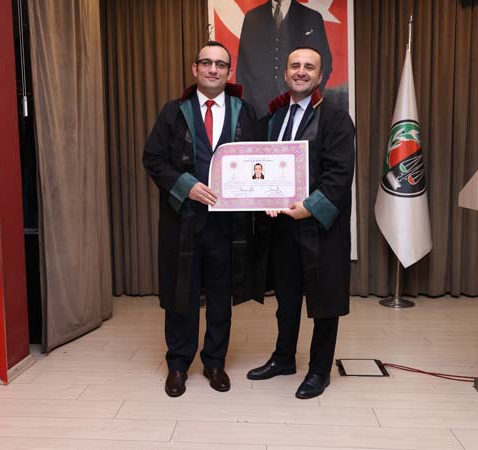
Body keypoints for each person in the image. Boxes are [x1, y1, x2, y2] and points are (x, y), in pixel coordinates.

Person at [143, 41, 260, 397]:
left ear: (229, 72)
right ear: (195, 69)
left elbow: (260, 161)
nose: (213, 69)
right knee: (182, 293)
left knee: (221, 295)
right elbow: (153, 158)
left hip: (227, 225)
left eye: (220, 64)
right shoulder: (173, 112)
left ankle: (214, 362)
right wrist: (186, 186)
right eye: (206, 63)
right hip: (184, 221)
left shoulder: (246, 112)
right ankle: (178, 364)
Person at [247, 46, 355, 399]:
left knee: (324, 302)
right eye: (295, 65)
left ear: (320, 76)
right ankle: (283, 358)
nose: (301, 71)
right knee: (287, 298)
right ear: (286, 73)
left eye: (309, 67)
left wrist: (309, 208)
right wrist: (264, 199)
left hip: (321, 226)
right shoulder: (273, 120)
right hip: (282, 226)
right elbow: (262, 169)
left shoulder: (336, 119)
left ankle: (319, 370)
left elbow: (339, 176)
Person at [236, 0, 333, 117]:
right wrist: (248, 109)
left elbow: (325, 64)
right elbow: (242, 68)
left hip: (302, 109)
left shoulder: (312, 17)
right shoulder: (252, 17)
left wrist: (309, 100)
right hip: (258, 111)